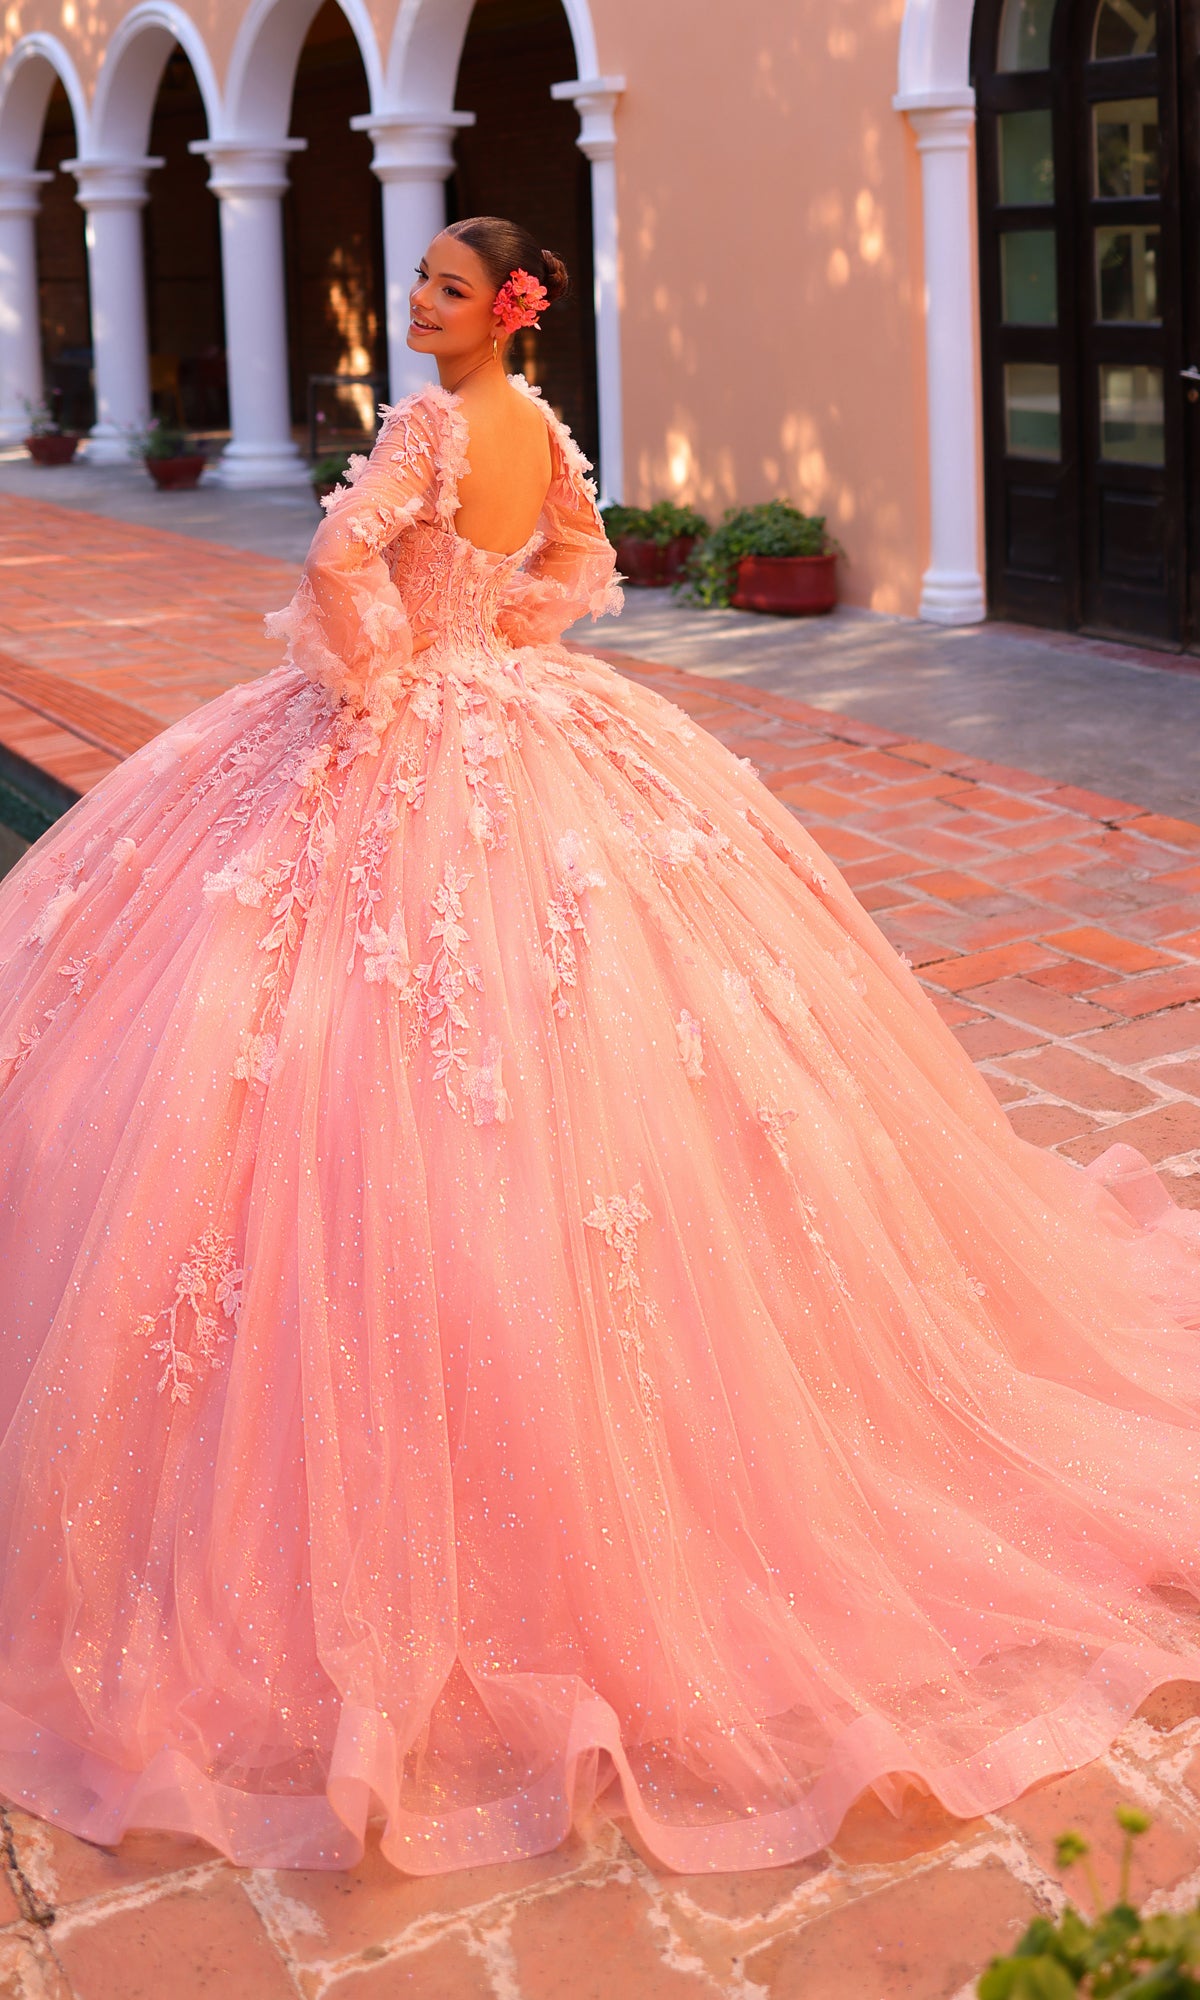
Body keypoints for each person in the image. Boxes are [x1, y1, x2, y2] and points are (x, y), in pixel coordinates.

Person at [1, 213, 1200, 1883]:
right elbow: (587, 569)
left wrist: (370, 676)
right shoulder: (543, 430)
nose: (414, 305)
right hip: (529, 724)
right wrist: (498, 646)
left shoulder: (430, 427)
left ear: (498, 308)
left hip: (409, 729)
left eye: (435, 286)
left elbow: (340, 564)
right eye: (415, 283)